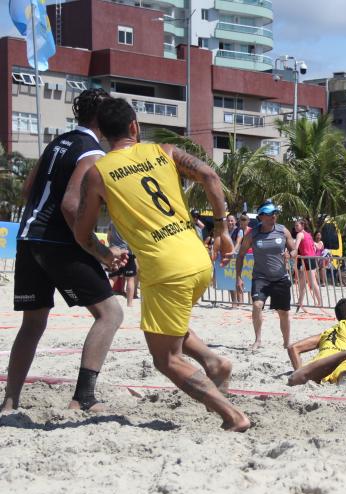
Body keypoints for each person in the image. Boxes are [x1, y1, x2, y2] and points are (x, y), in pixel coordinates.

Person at [74, 97, 248, 431]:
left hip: (164, 267)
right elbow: (210, 176)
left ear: (101, 135)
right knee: (167, 326)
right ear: (134, 127)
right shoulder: (165, 151)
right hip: (197, 259)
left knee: (165, 358)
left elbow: (82, 234)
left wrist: (104, 253)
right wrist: (222, 229)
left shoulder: (97, 174)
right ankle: (214, 362)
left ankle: (232, 414)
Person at [2, 89, 125, 414]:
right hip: (59, 241)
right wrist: (100, 251)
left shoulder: (58, 142)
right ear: (101, 118)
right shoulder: (91, 151)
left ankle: (10, 402)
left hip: (29, 238)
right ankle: (83, 397)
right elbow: (72, 206)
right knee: (110, 313)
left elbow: (27, 191)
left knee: (33, 324)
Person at [236, 200, 296, 350]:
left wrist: (290, 254)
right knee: (257, 305)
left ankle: (287, 342)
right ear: (261, 217)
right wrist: (238, 277)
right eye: (269, 214)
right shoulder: (253, 234)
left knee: (283, 312)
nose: (273, 216)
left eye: (274, 213)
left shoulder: (283, 230)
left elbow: (294, 250)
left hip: (280, 278)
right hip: (260, 277)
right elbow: (241, 255)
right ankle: (257, 340)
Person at [287, 298, 346, 385]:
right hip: (344, 361)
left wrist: (299, 370)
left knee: (302, 376)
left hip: (319, 366)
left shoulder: (326, 333)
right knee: (344, 375)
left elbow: (293, 348)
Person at [293, 218, 322, 311]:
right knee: (304, 283)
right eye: (295, 225)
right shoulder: (308, 235)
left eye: (297, 225)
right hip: (310, 259)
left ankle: (319, 302)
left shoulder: (300, 234)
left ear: (302, 226)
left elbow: (295, 247)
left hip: (306, 259)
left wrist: (292, 254)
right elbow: (316, 246)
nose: (295, 227)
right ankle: (300, 302)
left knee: (311, 282)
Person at [107, 222, 138, 308]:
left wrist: (112, 246)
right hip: (127, 252)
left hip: (114, 252)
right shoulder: (127, 220)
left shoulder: (112, 222)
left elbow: (108, 237)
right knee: (130, 279)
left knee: (112, 279)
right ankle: (129, 303)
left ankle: (107, 302)